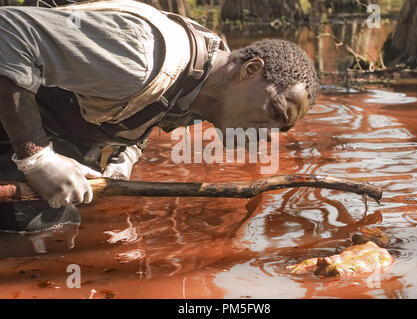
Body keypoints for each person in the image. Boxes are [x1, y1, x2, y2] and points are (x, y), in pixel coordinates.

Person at [0, 0, 319, 232]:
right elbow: (8, 32)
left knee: (79, 213)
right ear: (251, 70)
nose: (268, 133)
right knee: (39, 222)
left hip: (56, 124)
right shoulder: (142, 59)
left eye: (282, 129)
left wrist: (120, 163)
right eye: (276, 112)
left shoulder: (208, 94)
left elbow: (144, 116)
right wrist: (37, 158)